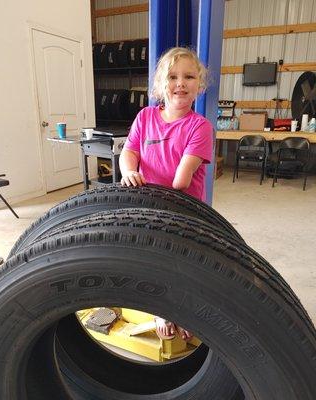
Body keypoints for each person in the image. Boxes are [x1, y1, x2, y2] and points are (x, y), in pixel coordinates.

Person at [119, 47, 213, 340]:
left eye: (189, 77)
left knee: (182, 262)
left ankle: (185, 313)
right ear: (161, 84)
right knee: (152, 261)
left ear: (200, 84)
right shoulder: (145, 116)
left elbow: (181, 182)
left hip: (182, 209)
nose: (180, 83)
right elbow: (129, 152)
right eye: (172, 77)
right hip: (146, 204)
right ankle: (162, 310)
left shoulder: (200, 127)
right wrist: (128, 172)